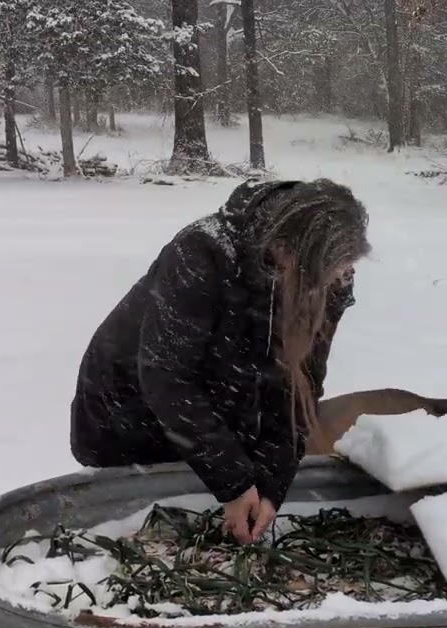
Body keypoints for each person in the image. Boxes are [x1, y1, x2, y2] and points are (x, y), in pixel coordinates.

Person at [69, 178, 370, 544]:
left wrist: (271, 485)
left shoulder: (331, 278)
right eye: (324, 275)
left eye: (342, 273)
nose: (336, 283)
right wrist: (234, 482)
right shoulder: (203, 252)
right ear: (285, 249)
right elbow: (167, 377)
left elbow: (299, 386)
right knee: (135, 531)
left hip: (217, 409)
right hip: (130, 412)